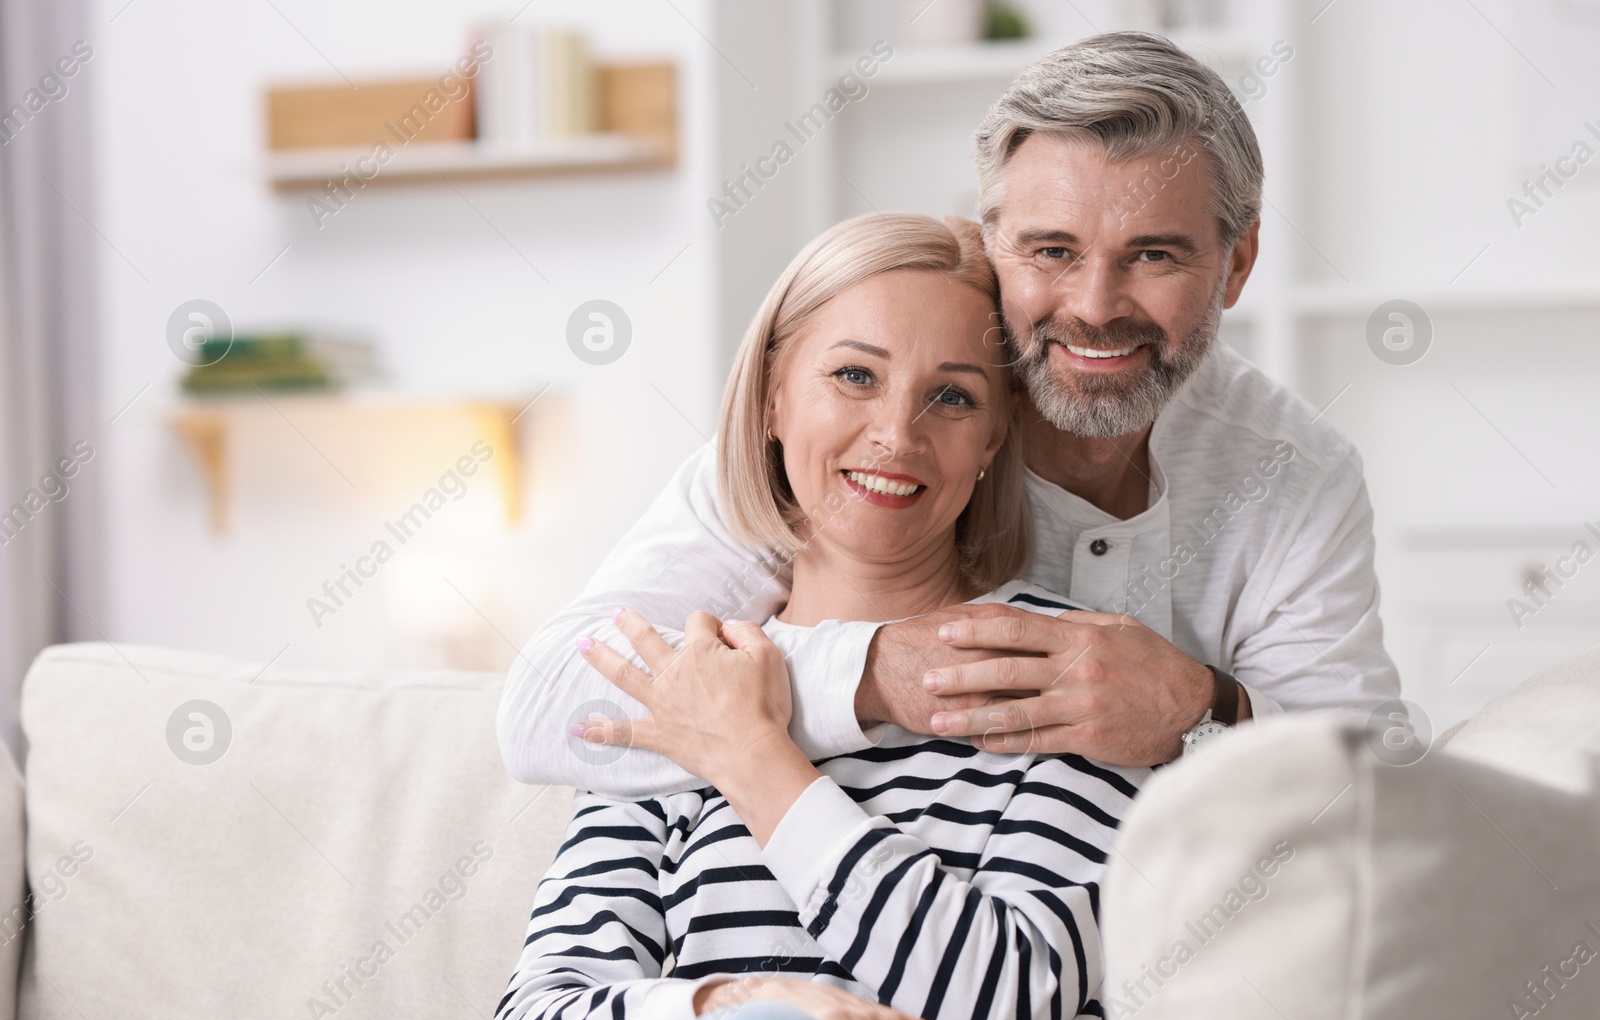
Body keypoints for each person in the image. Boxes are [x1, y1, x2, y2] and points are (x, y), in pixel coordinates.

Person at [496, 32, 1400, 797]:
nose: (1093, 304)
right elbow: (546, 708)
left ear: (1237, 263)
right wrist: (878, 673)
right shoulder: (858, 445)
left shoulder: (1294, 475)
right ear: (991, 235)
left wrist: (1196, 714)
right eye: (1051, 249)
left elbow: (1373, 799)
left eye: (1154, 255)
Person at [491, 214, 1148, 1020]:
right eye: (854, 375)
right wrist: (738, 1004)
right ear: (771, 396)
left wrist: (752, 757)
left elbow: (996, 1008)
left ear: (993, 437)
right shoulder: (689, 676)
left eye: (951, 396)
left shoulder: (1073, 672)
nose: (897, 434)